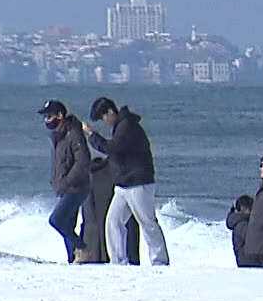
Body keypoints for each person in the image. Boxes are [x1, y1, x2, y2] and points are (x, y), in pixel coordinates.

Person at [84, 96, 168, 266]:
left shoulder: (127, 126)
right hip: (124, 184)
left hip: (138, 182)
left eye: (103, 117)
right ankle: (118, 260)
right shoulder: (121, 126)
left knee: (147, 222)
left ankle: (159, 260)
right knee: (113, 222)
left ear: (110, 112)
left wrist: (93, 135)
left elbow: (113, 148)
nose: (104, 121)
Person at [39, 99, 95, 263]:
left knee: (56, 220)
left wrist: (67, 181)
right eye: (45, 117)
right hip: (64, 188)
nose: (46, 120)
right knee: (68, 226)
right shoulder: (58, 136)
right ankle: (74, 259)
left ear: (60, 116)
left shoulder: (73, 133)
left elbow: (83, 160)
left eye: (49, 116)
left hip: (76, 188)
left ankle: (83, 249)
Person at [83, 155, 141, 265]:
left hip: (99, 174)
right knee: (121, 222)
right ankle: (123, 257)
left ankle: (109, 257)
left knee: (104, 221)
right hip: (115, 174)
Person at [225, 194, 255, 268]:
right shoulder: (241, 224)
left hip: (245, 260)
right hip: (248, 261)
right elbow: (253, 238)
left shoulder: (239, 222)